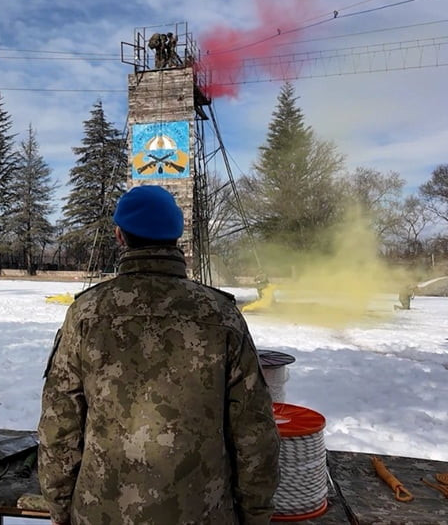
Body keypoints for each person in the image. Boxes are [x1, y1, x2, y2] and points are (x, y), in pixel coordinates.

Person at [38, 185, 280, 525]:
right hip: (202, 512)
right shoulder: (220, 314)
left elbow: (60, 422)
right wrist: (256, 512)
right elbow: (253, 428)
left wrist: (59, 503)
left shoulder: (87, 313)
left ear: (119, 236)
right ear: (176, 237)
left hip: (102, 511)